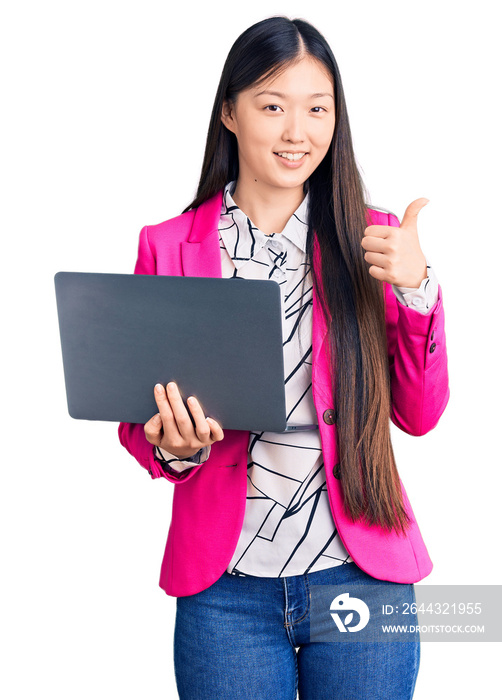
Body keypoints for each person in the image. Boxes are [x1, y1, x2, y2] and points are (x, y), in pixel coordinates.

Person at [118, 15, 449, 699]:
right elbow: (137, 420)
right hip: (226, 596)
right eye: (273, 106)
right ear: (230, 113)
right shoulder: (168, 247)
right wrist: (173, 447)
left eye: (317, 109)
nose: (297, 132)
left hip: (360, 577)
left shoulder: (376, 239)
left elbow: (420, 415)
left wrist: (419, 291)